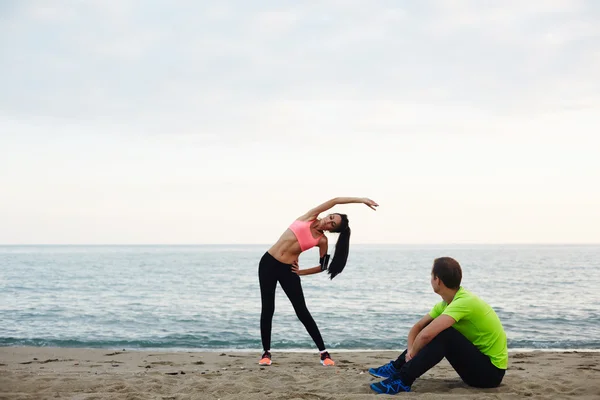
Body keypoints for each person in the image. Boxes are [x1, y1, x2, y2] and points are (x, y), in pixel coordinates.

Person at [258, 197, 379, 367]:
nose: (328, 222)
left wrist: (300, 272)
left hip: (288, 270)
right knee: (268, 308)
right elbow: (336, 200)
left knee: (302, 311)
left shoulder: (322, 241)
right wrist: (361, 200)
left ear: (332, 230)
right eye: (330, 218)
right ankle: (266, 353)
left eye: (332, 225)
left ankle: (324, 354)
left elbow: (323, 266)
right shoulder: (309, 216)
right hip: (268, 263)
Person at [368, 257, 507, 394]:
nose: (431, 279)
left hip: (490, 374)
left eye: (431, 276)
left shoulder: (464, 302)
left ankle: (402, 380)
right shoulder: (446, 303)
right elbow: (418, 328)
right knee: (435, 330)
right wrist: (410, 353)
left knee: (444, 334)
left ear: (437, 280)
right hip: (477, 368)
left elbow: (426, 335)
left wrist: (413, 354)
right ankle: (397, 367)